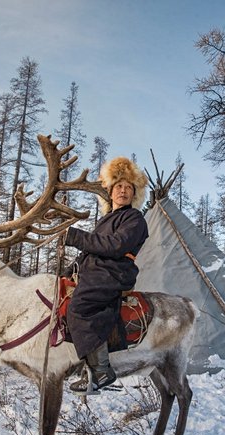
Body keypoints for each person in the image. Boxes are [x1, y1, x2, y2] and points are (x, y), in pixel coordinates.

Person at [64, 156, 149, 394]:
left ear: (134, 194)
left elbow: (115, 245)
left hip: (115, 272)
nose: (123, 191)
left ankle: (102, 370)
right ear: (110, 192)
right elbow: (90, 251)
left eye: (128, 188)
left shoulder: (134, 218)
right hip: (97, 271)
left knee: (81, 304)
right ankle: (84, 362)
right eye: (118, 187)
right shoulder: (105, 220)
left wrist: (75, 237)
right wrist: (69, 272)